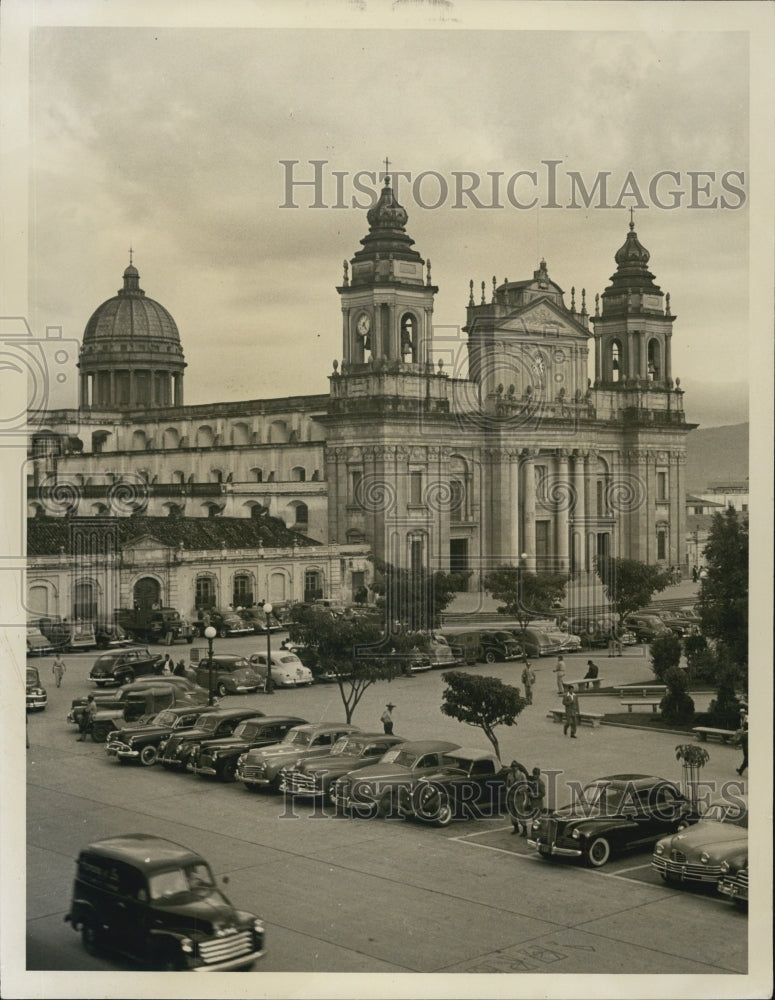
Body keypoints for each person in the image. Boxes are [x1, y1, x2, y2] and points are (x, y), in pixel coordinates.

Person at [505, 760, 530, 835]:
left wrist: (519, 791)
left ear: (518, 767)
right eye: (513, 767)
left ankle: (524, 829)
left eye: (515, 767)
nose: (514, 768)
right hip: (511, 796)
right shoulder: (509, 775)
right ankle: (516, 828)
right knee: (512, 813)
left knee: (520, 812)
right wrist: (508, 789)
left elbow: (525, 786)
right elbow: (507, 784)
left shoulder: (522, 775)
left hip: (518, 796)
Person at [525, 767, 546, 840]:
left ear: (539, 775)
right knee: (534, 819)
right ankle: (535, 835)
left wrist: (534, 795)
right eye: (534, 774)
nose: (534, 776)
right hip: (533, 804)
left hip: (538, 804)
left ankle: (538, 836)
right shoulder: (532, 782)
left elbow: (543, 793)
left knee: (537, 821)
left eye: (536, 774)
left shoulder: (540, 783)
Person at [736, 704, 748, 776]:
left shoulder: (748, 718)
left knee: (747, 755)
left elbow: (745, 727)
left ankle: (741, 769)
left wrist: (740, 730)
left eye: (742, 713)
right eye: (740, 713)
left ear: (745, 713)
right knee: (746, 754)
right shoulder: (741, 719)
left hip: (747, 735)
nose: (741, 714)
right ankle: (741, 769)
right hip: (744, 736)